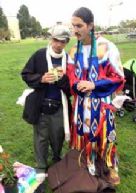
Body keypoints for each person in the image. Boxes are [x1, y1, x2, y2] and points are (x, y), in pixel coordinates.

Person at [67, 7, 125, 185]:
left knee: (104, 135)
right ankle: (89, 161)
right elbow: (71, 75)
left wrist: (94, 84)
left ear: (90, 25)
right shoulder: (73, 51)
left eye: (79, 26)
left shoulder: (106, 47)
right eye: (73, 26)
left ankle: (109, 164)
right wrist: (77, 84)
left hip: (101, 102)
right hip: (81, 103)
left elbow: (118, 77)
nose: (75, 30)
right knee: (83, 133)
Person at [21, 24, 71, 177]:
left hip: (59, 106)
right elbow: (26, 74)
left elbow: (71, 88)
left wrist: (63, 80)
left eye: (62, 41)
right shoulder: (40, 55)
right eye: (56, 40)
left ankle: (57, 158)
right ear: (51, 39)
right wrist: (41, 78)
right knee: (41, 137)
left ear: (67, 42)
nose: (58, 44)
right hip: (41, 104)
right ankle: (41, 165)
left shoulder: (69, 60)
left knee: (58, 136)